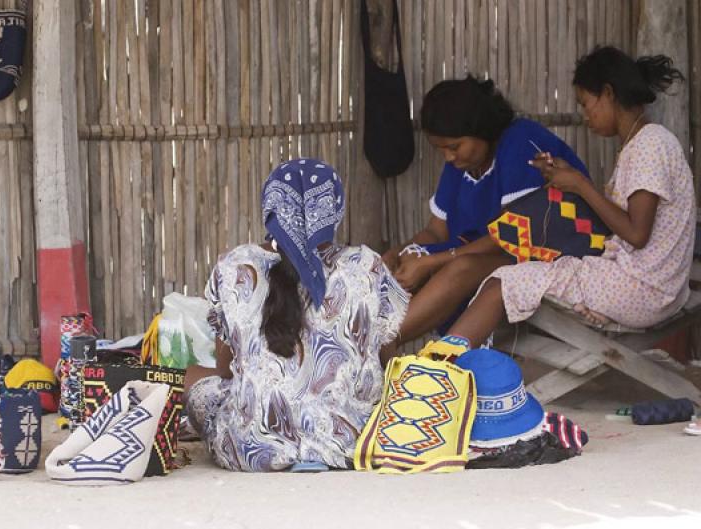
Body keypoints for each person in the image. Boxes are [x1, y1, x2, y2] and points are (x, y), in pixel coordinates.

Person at [441, 46, 694, 360]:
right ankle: (440, 369)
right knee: (521, 274)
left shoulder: (650, 145)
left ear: (608, 93)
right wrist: (569, 180)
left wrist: (581, 186)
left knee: (503, 282)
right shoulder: (642, 144)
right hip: (648, 284)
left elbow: (637, 233)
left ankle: (433, 374)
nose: (585, 116)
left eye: (587, 104)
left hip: (645, 290)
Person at [184, 159, 409, 472]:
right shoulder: (366, 265)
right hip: (347, 443)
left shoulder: (236, 267)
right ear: (335, 209)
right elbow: (387, 361)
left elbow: (225, 369)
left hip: (256, 448)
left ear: (271, 209)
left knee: (196, 383)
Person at [384, 75, 588, 342]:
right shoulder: (463, 163)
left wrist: (431, 261)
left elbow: (509, 238)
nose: (448, 157)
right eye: (441, 149)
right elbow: (435, 232)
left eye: (454, 147)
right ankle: (378, 350)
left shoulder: (520, 141)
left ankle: (377, 345)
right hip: (498, 256)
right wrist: (396, 256)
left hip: (550, 258)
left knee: (462, 268)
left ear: (481, 128)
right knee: (410, 259)